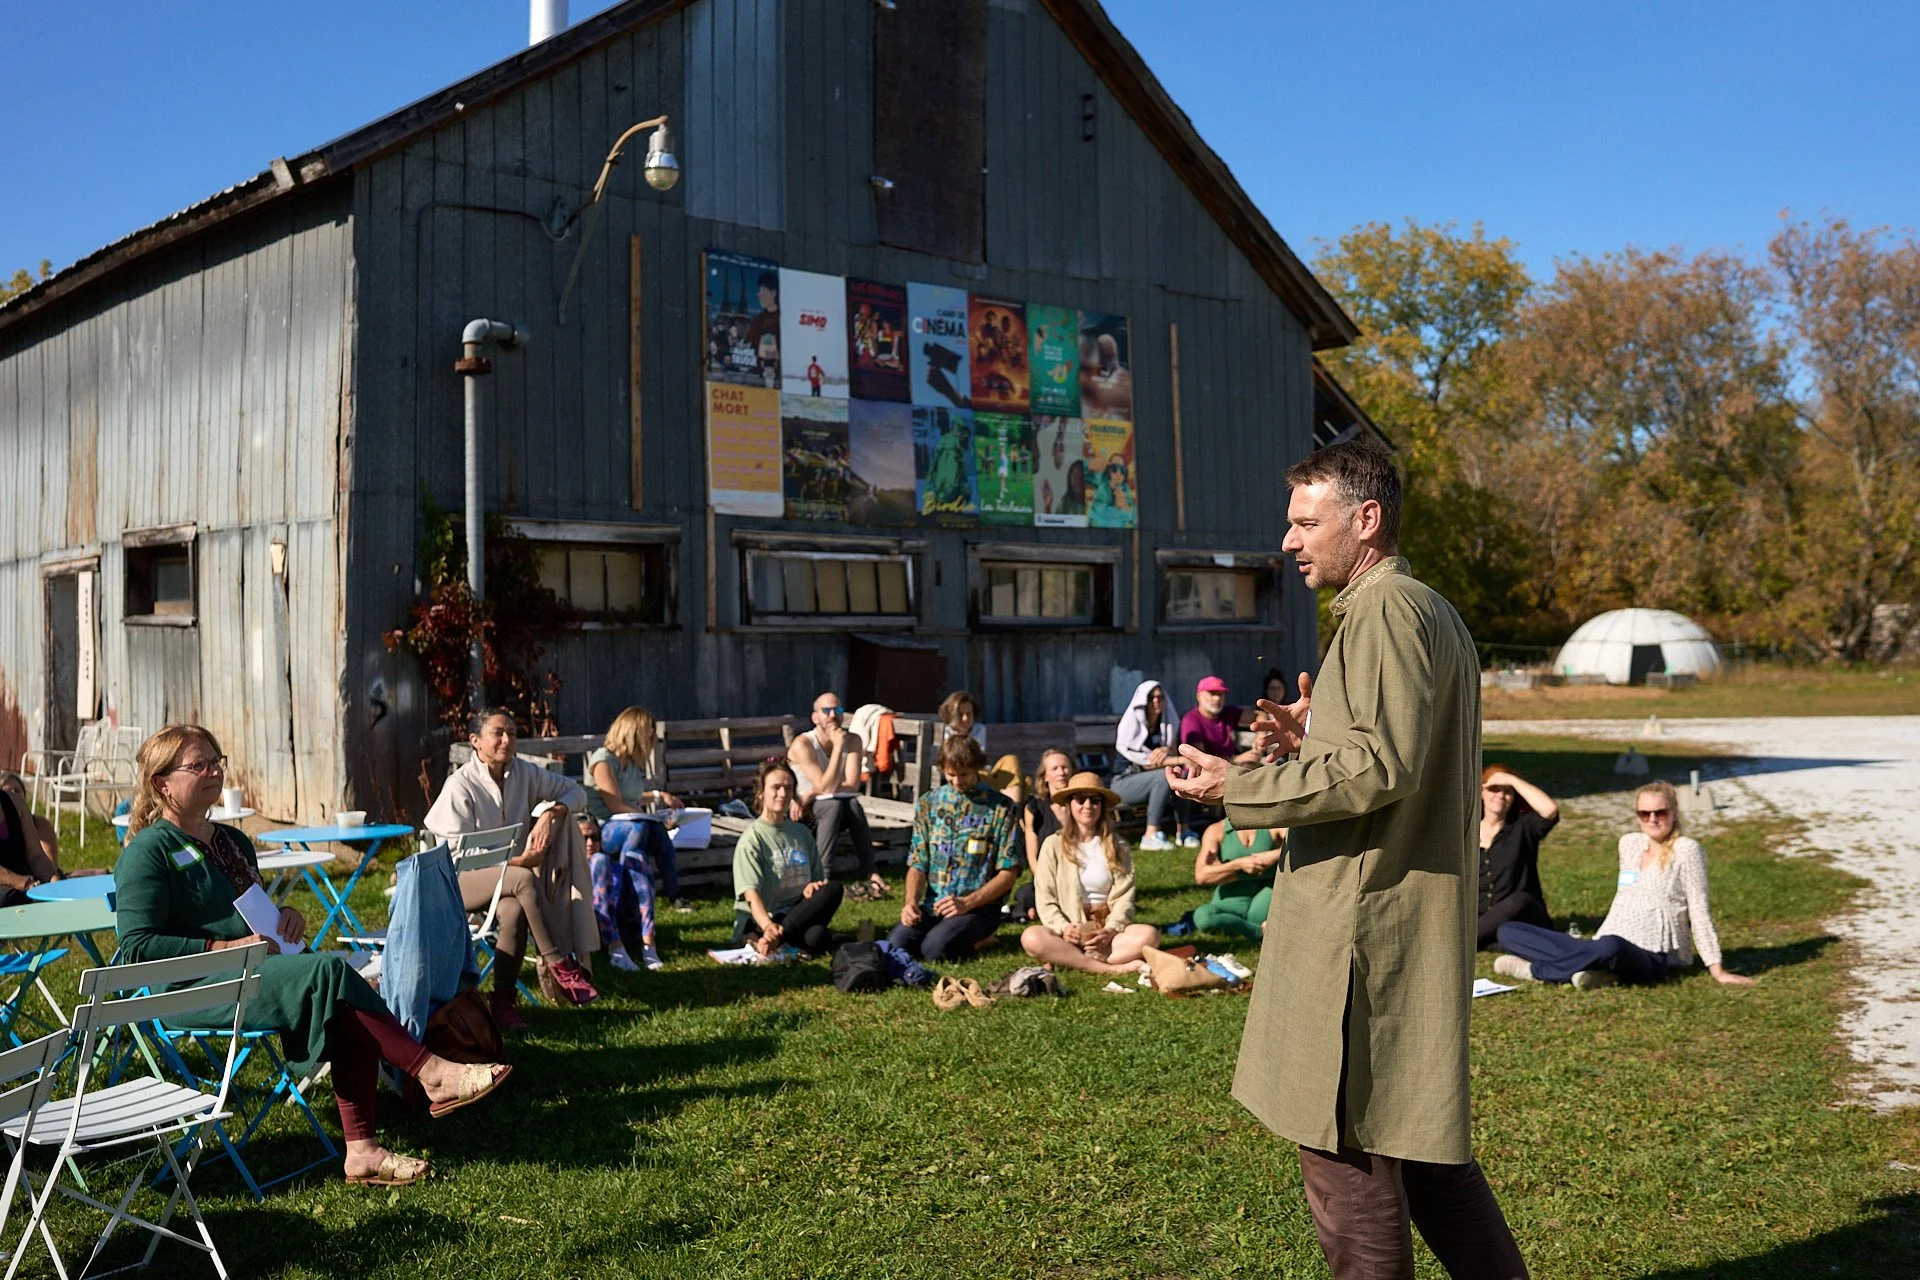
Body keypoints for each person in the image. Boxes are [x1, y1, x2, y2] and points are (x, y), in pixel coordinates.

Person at [1169, 440, 1528, 1279]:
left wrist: (1240, 788)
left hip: (1361, 940)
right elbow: (1383, 747)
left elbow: (1378, 767)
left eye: (1305, 522)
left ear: (1365, 521)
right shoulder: (1423, 609)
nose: (1288, 542)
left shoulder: (1384, 611)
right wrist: (1311, 734)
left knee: (1348, 1169)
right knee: (1427, 1155)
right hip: (1389, 925)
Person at [115, 725, 510, 1187]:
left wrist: (285, 917)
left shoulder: (233, 842)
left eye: (216, 761)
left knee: (335, 991)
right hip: (194, 987)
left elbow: (251, 913)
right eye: (198, 765)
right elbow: (137, 948)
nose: (213, 771)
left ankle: (362, 1152)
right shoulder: (148, 852)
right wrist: (221, 948)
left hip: (259, 970)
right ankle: (431, 1073)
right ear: (162, 784)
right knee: (330, 973)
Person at [426, 708, 600, 1025]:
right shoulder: (460, 785)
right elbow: (452, 852)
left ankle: (503, 1002)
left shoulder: (525, 773)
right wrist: (519, 862)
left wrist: (552, 812)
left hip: (505, 881)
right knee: (522, 878)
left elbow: (577, 791)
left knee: (515, 911)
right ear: (475, 741)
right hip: (455, 879)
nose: (507, 740)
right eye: (498, 733)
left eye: (513, 733)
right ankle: (559, 963)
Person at [1495, 781, 1754, 991]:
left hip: (1650, 955)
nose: (1652, 819)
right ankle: (1598, 972)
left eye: (1660, 812)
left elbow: (1699, 909)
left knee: (1612, 946)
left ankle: (1533, 971)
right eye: (1644, 813)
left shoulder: (1686, 850)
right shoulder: (1629, 844)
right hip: (1601, 942)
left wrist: (1717, 969)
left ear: (1674, 813)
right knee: (1509, 930)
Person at [891, 735, 1022, 961]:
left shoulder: (1001, 807)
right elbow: (918, 862)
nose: (958, 781)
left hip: (979, 907)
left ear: (977, 769)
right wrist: (910, 903)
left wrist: (967, 903)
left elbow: (1009, 871)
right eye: (951, 774)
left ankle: (981, 941)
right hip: (935, 904)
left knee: (934, 950)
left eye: (964, 775)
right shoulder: (928, 803)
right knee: (896, 945)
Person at [1019, 772, 1158, 974]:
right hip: (1069, 930)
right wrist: (1063, 928)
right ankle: (1109, 968)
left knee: (1149, 935)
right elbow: (1044, 895)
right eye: (1080, 799)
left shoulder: (1118, 846)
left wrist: (1111, 929)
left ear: (1102, 806)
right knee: (1031, 937)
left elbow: (1124, 896)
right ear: (1069, 804)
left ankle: (1070, 958)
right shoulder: (1053, 845)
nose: (1087, 805)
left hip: (1105, 931)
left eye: (1095, 800)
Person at [732, 759, 844, 957]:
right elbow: (751, 896)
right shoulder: (752, 839)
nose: (783, 794)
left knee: (833, 889)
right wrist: (767, 926)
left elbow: (817, 881)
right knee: (817, 938)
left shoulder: (801, 832)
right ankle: (768, 936)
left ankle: (776, 941)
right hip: (763, 918)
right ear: (761, 792)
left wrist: (813, 887)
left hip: (796, 911)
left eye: (788, 788)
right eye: (776, 787)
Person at [586, 705, 688, 912]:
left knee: (657, 831)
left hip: (629, 823)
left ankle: (674, 893)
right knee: (640, 827)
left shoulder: (631, 763)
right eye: (649, 736)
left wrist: (660, 796)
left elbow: (630, 798)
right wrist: (654, 817)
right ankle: (627, 893)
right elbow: (615, 806)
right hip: (604, 828)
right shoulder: (603, 760)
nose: (651, 742)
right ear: (635, 733)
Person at [789, 691, 889, 900]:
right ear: (815, 717)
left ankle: (872, 872)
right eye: (826, 710)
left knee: (851, 804)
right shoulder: (803, 744)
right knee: (835, 805)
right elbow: (825, 785)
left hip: (828, 806)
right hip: (803, 813)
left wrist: (811, 793)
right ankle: (822, 875)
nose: (833, 715)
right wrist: (838, 749)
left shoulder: (852, 740)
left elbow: (852, 785)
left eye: (838, 710)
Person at [1476, 765, 1560, 949]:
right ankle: (1488, 939)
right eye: (1494, 789)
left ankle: (1467, 940)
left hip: (1524, 915)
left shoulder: (1522, 827)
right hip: (1484, 920)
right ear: (1481, 792)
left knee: (1520, 900)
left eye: (1507, 791)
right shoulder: (1467, 835)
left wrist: (1511, 779)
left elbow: (1549, 810)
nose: (1500, 795)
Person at [1111, 679, 1192, 851]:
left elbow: (1167, 755)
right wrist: (1180, 760)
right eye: (1151, 698)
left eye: (1160, 698)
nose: (1156, 701)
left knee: (1180, 776)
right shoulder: (1131, 727)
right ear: (1142, 702)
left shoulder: (1165, 727)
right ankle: (1150, 835)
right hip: (1123, 783)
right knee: (1165, 775)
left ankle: (1184, 831)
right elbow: (1150, 763)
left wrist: (1168, 753)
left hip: (1151, 781)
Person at [586, 814, 664, 973]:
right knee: (599, 860)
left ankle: (649, 944)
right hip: (593, 932)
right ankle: (616, 950)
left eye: (594, 837)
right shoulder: (570, 869)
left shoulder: (611, 864)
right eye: (583, 838)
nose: (590, 843)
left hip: (626, 924)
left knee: (636, 857)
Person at [1190, 818, 1285, 942]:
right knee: (1203, 917)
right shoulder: (1216, 830)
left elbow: (1300, 845)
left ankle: (1243, 926)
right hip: (1229, 900)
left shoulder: (1271, 824)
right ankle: (1258, 932)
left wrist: (1274, 856)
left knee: (1256, 917)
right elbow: (1202, 876)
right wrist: (1239, 865)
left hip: (1265, 893)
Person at [1009, 747, 1074, 923]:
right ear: (1045, 776)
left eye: (1065, 767)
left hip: (1077, 875)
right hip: (1047, 877)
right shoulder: (1034, 807)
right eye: (1055, 769)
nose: (1061, 772)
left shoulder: (1081, 805)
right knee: (1026, 892)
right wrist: (1046, 882)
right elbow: (1032, 855)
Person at [937, 689, 1024, 802]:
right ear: (951, 715)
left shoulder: (979, 729)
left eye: (969, 714)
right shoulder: (946, 733)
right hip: (966, 777)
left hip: (982, 773)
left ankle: (1011, 802)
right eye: (960, 715)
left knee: (1011, 760)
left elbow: (980, 760)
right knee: (1024, 785)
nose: (965, 719)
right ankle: (1010, 803)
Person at [0, 772, 63, 904]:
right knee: (11, 898)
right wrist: (25, 883)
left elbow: (36, 857)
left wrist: (55, 883)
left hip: (28, 885)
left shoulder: (17, 804)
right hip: (13, 893)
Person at [1180, 676, 1262, 765]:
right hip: (1203, 775)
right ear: (1199, 696)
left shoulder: (1227, 712)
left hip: (1230, 769)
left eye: (1221, 694)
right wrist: (1236, 759)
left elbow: (1260, 715)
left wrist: (1261, 734)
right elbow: (1198, 760)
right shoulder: (1191, 720)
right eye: (1212, 693)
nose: (1217, 698)